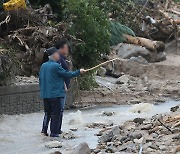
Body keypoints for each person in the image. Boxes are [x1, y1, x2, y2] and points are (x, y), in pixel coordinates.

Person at [39, 47, 86, 137]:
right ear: (53, 55)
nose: (59, 56)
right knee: (56, 114)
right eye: (57, 54)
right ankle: (54, 134)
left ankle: (44, 131)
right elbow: (68, 74)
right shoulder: (56, 66)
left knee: (47, 113)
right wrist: (79, 72)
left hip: (45, 95)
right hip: (55, 94)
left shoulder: (43, 66)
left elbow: (41, 80)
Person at [55, 40, 70, 134]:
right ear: (61, 48)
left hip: (61, 88)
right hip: (59, 89)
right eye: (66, 47)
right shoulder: (58, 59)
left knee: (60, 110)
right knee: (58, 110)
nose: (67, 49)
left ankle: (57, 130)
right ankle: (55, 131)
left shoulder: (62, 58)